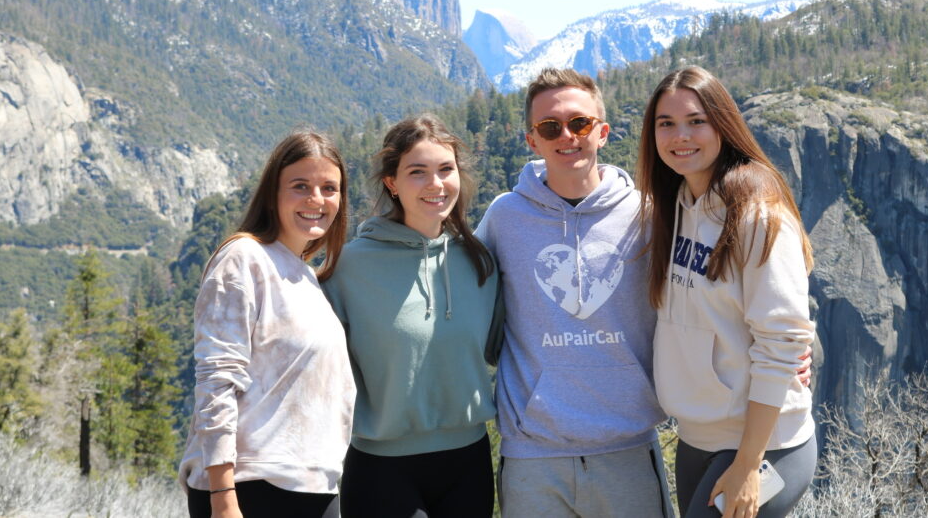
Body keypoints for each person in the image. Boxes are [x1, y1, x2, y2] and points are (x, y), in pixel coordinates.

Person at [476, 68, 673, 517]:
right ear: (532, 141)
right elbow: (448, 278)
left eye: (580, 123)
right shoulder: (504, 218)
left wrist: (778, 342)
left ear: (602, 132)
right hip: (533, 455)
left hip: (628, 448)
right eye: (550, 127)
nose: (567, 136)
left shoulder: (647, 216)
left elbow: (703, 292)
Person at [636, 66, 817, 518]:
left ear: (724, 124)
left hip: (763, 445)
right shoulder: (675, 204)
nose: (682, 135)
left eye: (697, 120)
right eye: (667, 123)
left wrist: (749, 464)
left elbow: (784, 338)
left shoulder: (757, 215)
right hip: (698, 436)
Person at [323, 114, 501, 517]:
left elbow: (501, 349)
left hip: (469, 462)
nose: (435, 184)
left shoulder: (480, 262)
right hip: (381, 469)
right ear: (392, 182)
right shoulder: (348, 268)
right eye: (417, 172)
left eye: (445, 170)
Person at [179, 130, 357, 518]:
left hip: (312, 486)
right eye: (300, 186)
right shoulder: (243, 259)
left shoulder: (305, 274)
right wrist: (223, 498)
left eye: (329, 188)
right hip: (252, 489)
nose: (316, 199)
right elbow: (216, 381)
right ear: (273, 193)